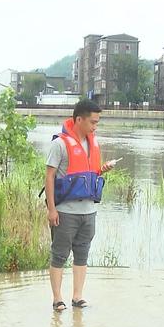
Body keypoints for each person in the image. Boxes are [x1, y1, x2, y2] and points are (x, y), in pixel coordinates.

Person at [45, 99, 114, 312]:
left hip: (88, 212)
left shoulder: (93, 143)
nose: (95, 127)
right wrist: (51, 209)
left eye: (97, 123)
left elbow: (88, 174)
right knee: (59, 255)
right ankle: (58, 299)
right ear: (78, 119)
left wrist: (102, 170)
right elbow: (49, 177)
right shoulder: (60, 144)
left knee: (82, 254)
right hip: (66, 212)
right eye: (92, 122)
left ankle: (77, 297)